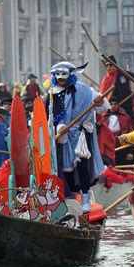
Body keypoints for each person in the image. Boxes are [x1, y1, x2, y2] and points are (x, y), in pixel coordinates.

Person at [47, 61, 106, 213]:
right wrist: (59, 127)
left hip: (80, 133)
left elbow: (102, 108)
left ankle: (85, 198)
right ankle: (70, 197)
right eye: (57, 75)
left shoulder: (85, 90)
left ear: (71, 75)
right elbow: (50, 117)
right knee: (66, 170)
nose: (60, 78)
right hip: (62, 136)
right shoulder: (52, 94)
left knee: (82, 166)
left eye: (64, 74)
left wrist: (100, 102)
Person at [99, 55, 134, 125]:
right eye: (106, 66)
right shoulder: (105, 79)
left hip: (126, 106)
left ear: (115, 65)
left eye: (110, 65)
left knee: (129, 125)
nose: (108, 67)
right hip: (112, 108)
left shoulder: (123, 74)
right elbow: (102, 95)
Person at [101, 96, 134, 165]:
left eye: (115, 104)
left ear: (118, 105)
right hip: (107, 147)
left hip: (122, 147)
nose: (113, 106)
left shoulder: (125, 117)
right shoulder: (103, 117)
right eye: (111, 104)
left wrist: (131, 152)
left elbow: (131, 134)